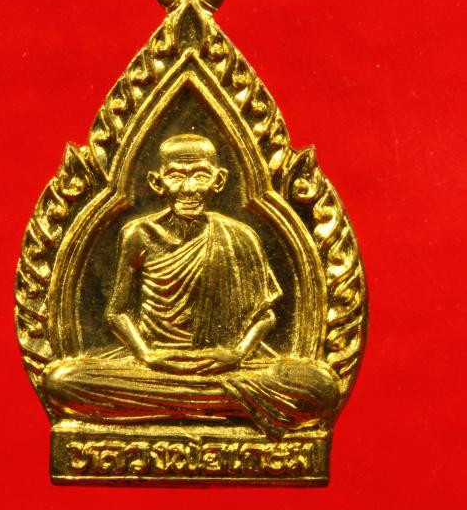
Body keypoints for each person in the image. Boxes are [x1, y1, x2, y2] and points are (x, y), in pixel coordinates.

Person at [42, 134, 339, 438]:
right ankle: (224, 405)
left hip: (224, 367)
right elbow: (116, 313)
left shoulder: (241, 236)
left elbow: (265, 316)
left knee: (319, 385)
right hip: (153, 369)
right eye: (176, 176)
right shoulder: (139, 234)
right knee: (61, 381)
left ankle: (176, 405)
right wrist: (147, 355)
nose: (188, 188)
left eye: (200, 175)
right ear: (157, 182)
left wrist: (236, 354)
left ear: (218, 180)